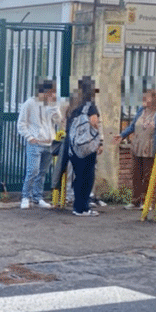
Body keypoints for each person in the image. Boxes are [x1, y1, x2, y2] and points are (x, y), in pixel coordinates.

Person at [114, 89, 156, 210]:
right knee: (135, 175)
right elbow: (133, 126)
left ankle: (147, 202)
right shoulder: (141, 110)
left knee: (148, 176)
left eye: (147, 97)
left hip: (150, 148)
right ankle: (135, 201)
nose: (144, 99)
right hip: (137, 146)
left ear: (154, 99)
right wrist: (122, 135)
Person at [17, 78, 62, 209]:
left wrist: (55, 107)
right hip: (35, 143)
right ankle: (25, 197)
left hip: (49, 142)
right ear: (45, 91)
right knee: (33, 171)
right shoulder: (30, 103)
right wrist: (29, 137)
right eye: (51, 92)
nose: (53, 95)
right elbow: (21, 123)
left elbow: (58, 121)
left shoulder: (51, 105)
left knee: (42, 172)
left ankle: (38, 197)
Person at [68, 78, 102, 217]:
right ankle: (84, 208)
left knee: (78, 176)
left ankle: (77, 207)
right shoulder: (90, 107)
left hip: (74, 146)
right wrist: (98, 140)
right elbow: (94, 122)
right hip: (87, 147)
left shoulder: (74, 105)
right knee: (87, 177)